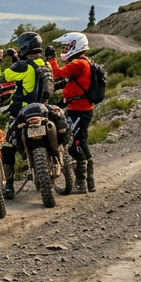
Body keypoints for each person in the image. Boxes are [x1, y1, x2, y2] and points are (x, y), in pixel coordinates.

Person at [0, 31, 53, 199]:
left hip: (22, 113)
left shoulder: (22, 66)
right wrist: (16, 59)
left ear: (25, 47)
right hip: (43, 110)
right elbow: (29, 79)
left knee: (7, 148)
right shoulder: (45, 64)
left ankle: (9, 186)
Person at [48, 32, 96, 194]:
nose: (65, 49)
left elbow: (57, 74)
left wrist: (51, 59)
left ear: (75, 45)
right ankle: (88, 182)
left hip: (79, 110)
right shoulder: (84, 62)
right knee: (79, 142)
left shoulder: (78, 63)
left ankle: (82, 183)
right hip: (78, 107)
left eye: (67, 46)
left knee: (75, 144)